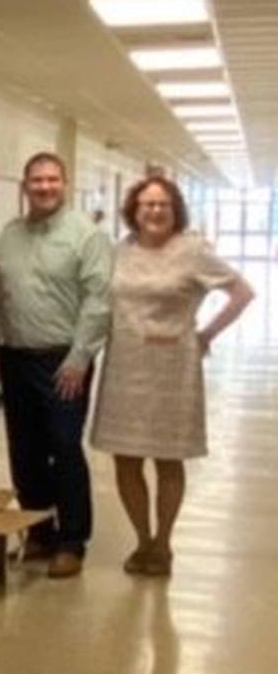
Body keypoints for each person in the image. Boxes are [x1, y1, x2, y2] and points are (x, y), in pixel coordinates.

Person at [91, 177, 252, 576]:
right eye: (147, 204)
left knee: (167, 459)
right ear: (134, 209)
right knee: (125, 458)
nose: (155, 210)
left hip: (174, 367)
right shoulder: (119, 251)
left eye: (163, 204)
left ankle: (163, 543)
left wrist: (206, 335)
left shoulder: (193, 252)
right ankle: (141, 540)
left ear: (175, 209)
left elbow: (242, 292)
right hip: (125, 365)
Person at [0, 151, 113, 579]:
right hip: (16, 357)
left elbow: (98, 301)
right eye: (36, 180)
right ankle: (39, 531)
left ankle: (72, 541)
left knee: (64, 446)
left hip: (63, 361)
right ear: (25, 186)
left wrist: (80, 358)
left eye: (52, 179)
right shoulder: (9, 234)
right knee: (26, 449)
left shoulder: (86, 236)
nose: (45, 187)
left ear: (65, 184)